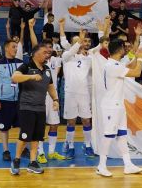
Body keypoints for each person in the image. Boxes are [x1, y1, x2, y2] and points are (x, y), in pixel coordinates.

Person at [96, 39, 142, 177]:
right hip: (111, 105)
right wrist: (140, 59)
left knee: (122, 135)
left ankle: (128, 164)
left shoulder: (115, 64)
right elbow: (136, 73)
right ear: (119, 49)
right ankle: (101, 165)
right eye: (124, 47)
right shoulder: (113, 66)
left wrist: (136, 57)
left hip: (118, 104)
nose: (125, 49)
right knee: (109, 135)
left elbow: (131, 66)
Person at [10, 43, 59, 175]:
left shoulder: (47, 69)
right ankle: (16, 160)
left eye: (48, 53)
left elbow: (50, 86)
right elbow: (14, 78)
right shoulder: (26, 66)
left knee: (37, 136)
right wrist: (31, 76)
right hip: (26, 107)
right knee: (25, 135)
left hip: (40, 108)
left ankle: (32, 162)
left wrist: (55, 100)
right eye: (44, 52)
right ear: (35, 54)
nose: (47, 55)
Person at [26, 20, 66, 163]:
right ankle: (41, 152)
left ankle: (51, 152)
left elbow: (55, 78)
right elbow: (34, 43)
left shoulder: (57, 60)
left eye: (51, 47)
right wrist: (31, 28)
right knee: (40, 125)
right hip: (41, 96)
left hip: (52, 96)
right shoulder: (38, 59)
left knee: (54, 124)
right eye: (46, 47)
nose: (48, 49)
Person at [0, 39, 25, 161]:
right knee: (4, 127)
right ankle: (6, 151)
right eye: (13, 47)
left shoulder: (21, 64)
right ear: (6, 48)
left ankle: (23, 148)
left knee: (23, 125)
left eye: (17, 47)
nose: (16, 49)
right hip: (4, 101)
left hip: (19, 101)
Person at [62, 28, 95, 159]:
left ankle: (88, 145)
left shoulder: (88, 58)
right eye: (78, 41)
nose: (80, 43)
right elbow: (71, 51)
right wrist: (79, 41)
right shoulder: (66, 56)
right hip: (70, 93)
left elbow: (99, 48)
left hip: (84, 93)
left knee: (86, 121)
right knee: (71, 122)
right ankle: (70, 146)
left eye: (81, 41)